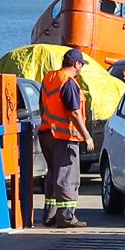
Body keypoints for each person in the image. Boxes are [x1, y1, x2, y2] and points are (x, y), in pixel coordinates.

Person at [36, 49, 95, 227]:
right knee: (67, 177)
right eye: (81, 64)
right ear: (76, 64)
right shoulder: (69, 83)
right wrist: (86, 135)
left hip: (47, 132)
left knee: (54, 174)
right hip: (64, 137)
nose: (81, 68)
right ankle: (66, 218)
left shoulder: (50, 78)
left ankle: (50, 215)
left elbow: (42, 105)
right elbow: (74, 113)